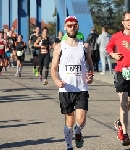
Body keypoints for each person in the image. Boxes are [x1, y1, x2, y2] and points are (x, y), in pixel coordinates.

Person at [51, 16, 93, 150]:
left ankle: (78, 131)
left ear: (78, 27)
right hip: (66, 88)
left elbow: (90, 64)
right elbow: (53, 67)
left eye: (74, 25)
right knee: (69, 120)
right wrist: (56, 80)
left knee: (81, 120)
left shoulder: (84, 46)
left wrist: (90, 75)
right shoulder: (59, 47)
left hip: (81, 88)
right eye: (69, 25)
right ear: (65, 27)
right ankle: (69, 146)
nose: (72, 28)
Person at [106, 11, 130, 146]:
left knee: (128, 104)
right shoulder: (116, 36)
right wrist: (113, 54)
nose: (129, 22)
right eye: (127, 20)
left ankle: (120, 123)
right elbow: (108, 47)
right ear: (123, 22)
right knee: (124, 101)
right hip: (121, 71)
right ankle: (125, 135)